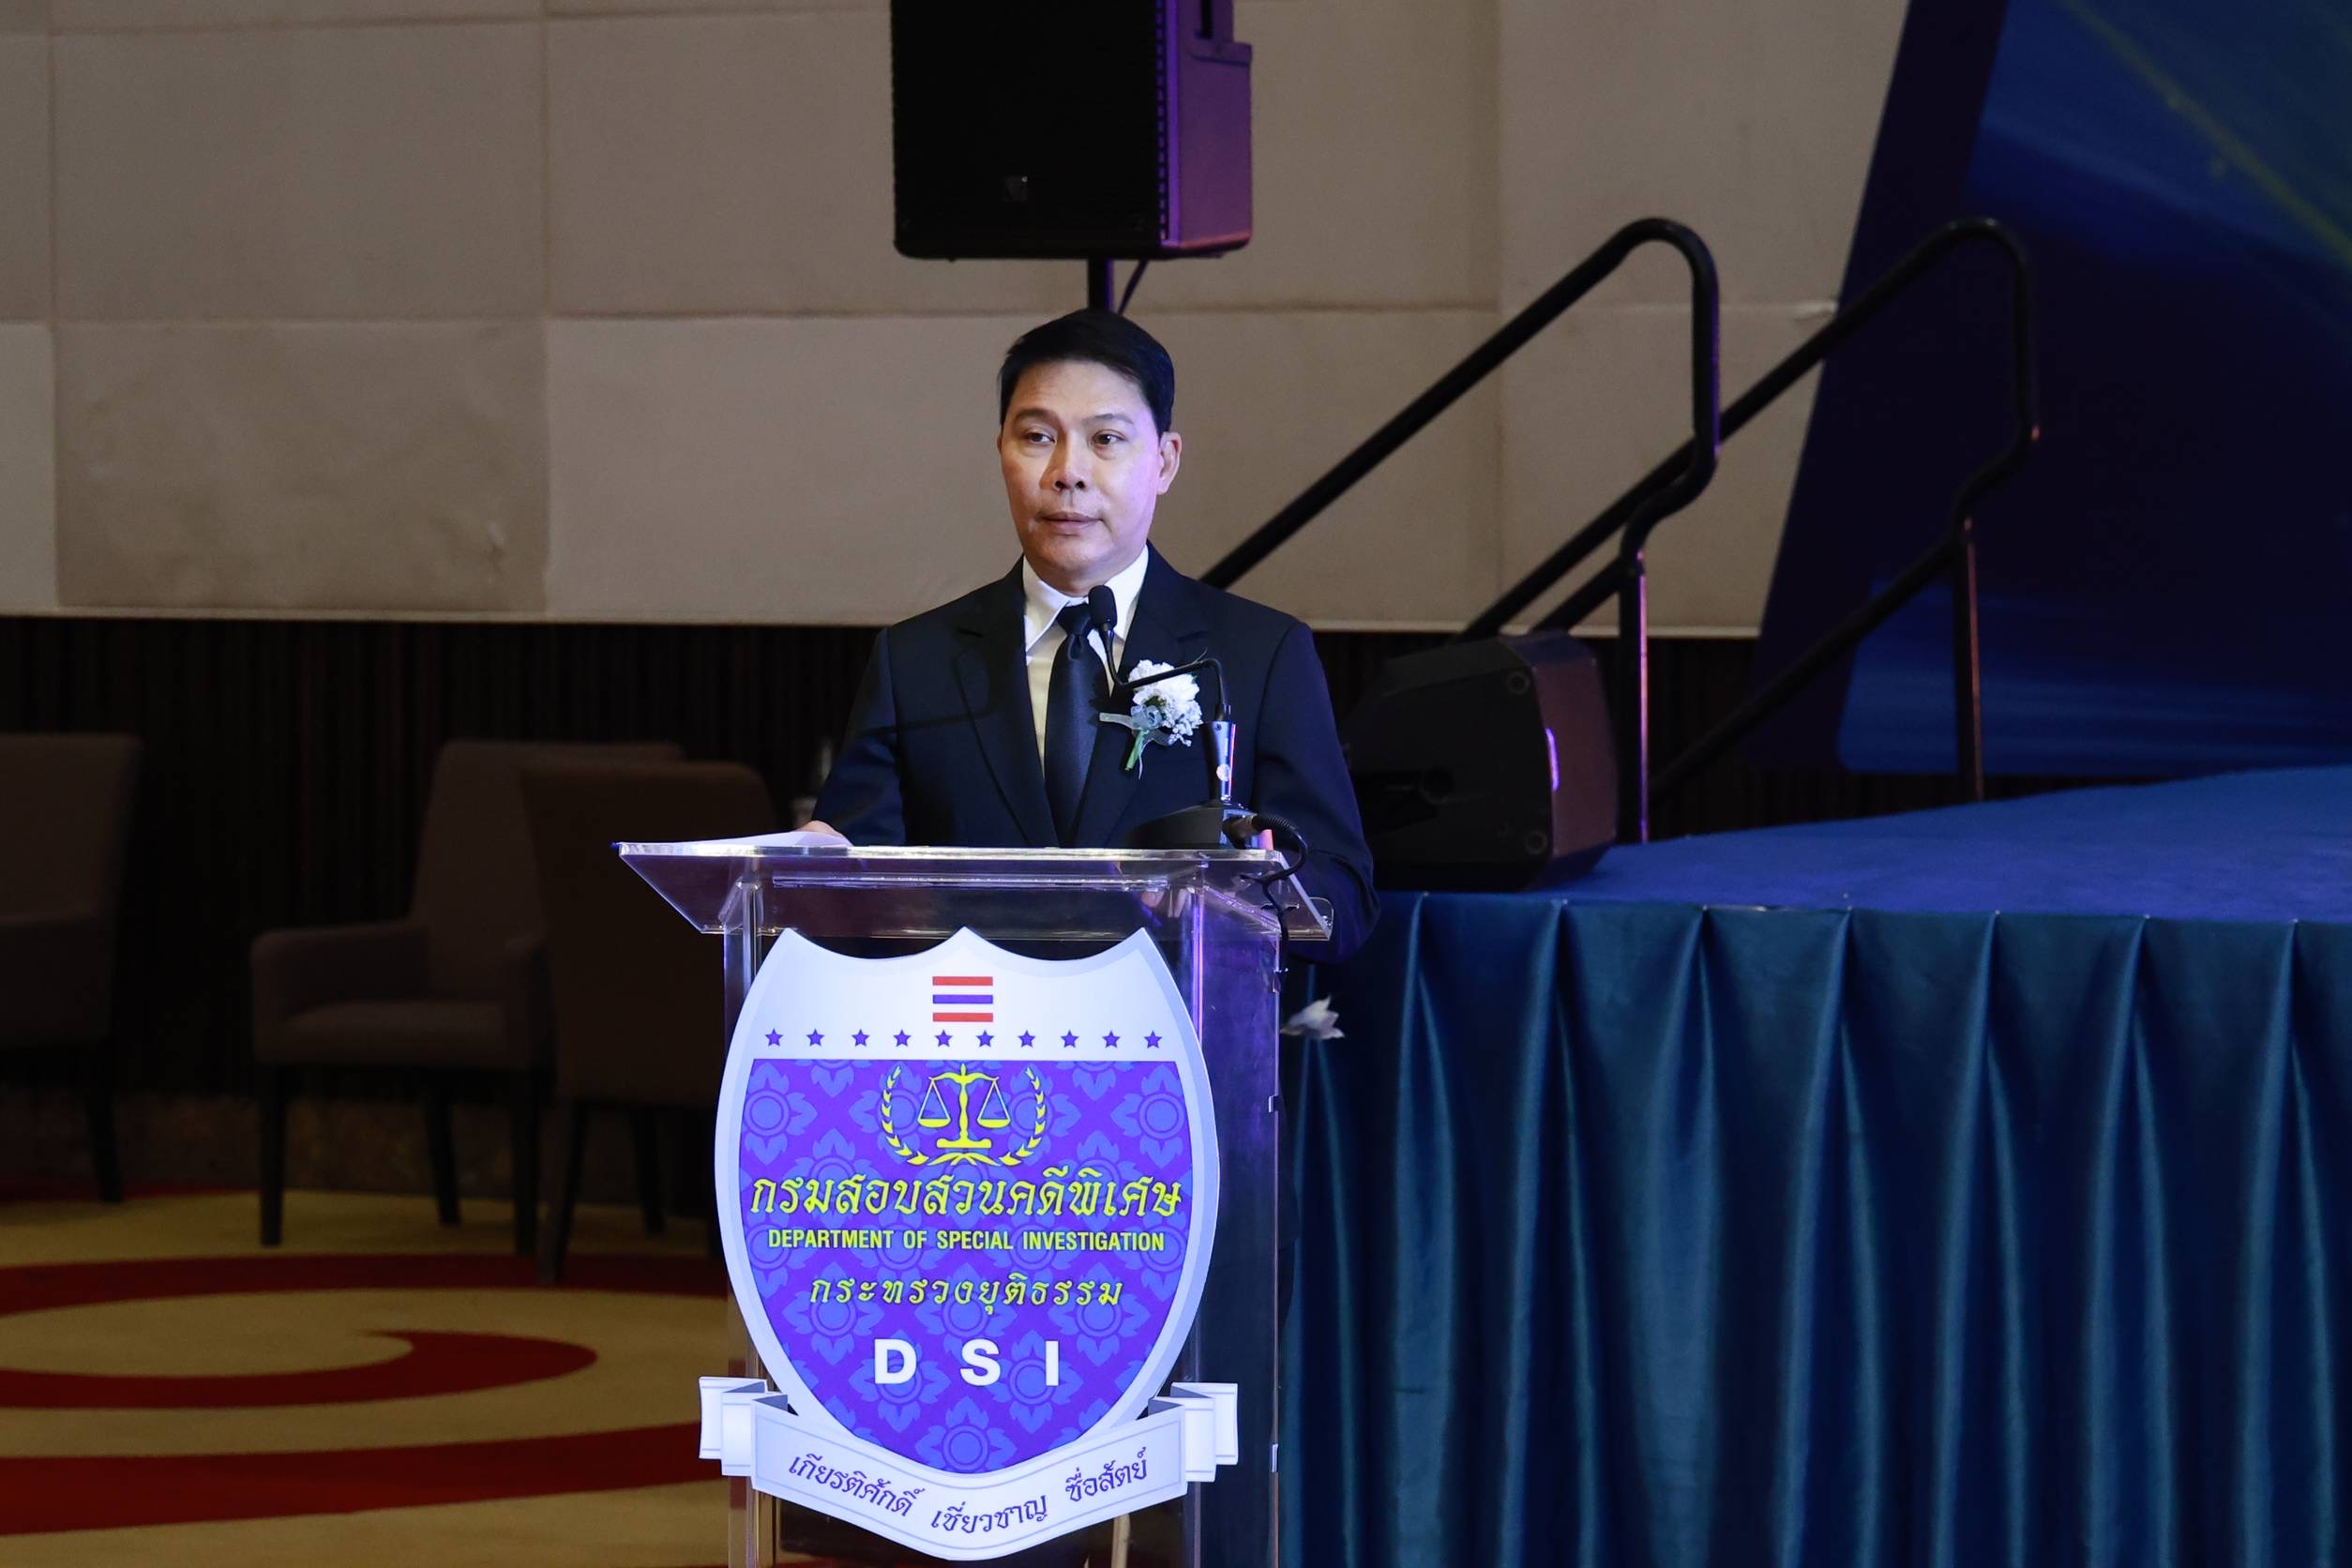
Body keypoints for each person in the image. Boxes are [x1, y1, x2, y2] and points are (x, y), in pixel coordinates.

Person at [806, 308, 1378, 960]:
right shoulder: (916, 661)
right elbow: (843, 893)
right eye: (1037, 437)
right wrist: (815, 869)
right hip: (972, 1023)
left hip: (1177, 1019)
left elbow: (1344, 904)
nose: (1067, 472)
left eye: (1105, 439)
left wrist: (1242, 888)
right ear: (1001, 452)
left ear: (1164, 462)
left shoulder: (1259, 655)